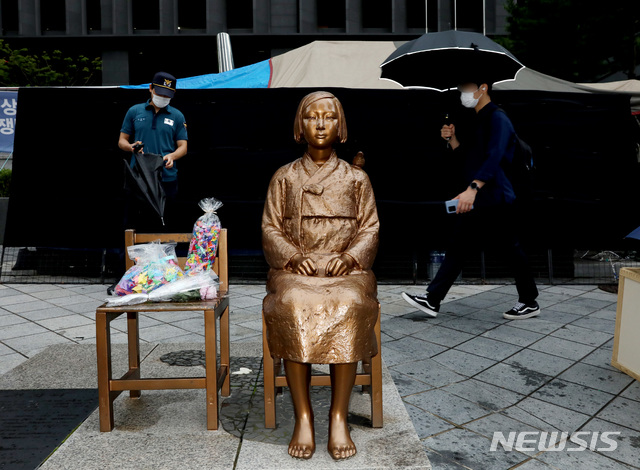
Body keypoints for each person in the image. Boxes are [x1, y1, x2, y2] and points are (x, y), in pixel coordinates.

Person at [262, 91, 380, 460]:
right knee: (294, 303)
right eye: (313, 117)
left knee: (349, 302)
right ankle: (303, 415)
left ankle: (339, 415)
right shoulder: (284, 177)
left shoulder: (356, 178)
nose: (321, 124)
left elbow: (371, 228)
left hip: (347, 271)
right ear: (301, 125)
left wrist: (349, 257)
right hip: (296, 270)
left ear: (340, 125)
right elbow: (269, 228)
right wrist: (294, 257)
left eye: (329, 117)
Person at [402, 80, 540, 320]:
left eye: (466, 88)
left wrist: (473, 188)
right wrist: (452, 140)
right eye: (461, 89)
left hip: (495, 197)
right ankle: (433, 300)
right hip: (482, 198)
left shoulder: (498, 118)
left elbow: (495, 157)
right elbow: (468, 159)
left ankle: (529, 301)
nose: (463, 93)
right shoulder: (479, 120)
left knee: (510, 249)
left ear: (483, 88)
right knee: (460, 246)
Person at [118, 71, 188, 230]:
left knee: (165, 223)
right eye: (160, 93)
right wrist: (131, 147)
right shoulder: (135, 111)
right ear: (150, 88)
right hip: (139, 178)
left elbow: (183, 147)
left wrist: (172, 156)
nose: (163, 98)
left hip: (166, 177)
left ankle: (166, 254)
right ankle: (131, 255)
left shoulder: (177, 116)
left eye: (167, 95)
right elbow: (122, 141)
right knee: (135, 222)